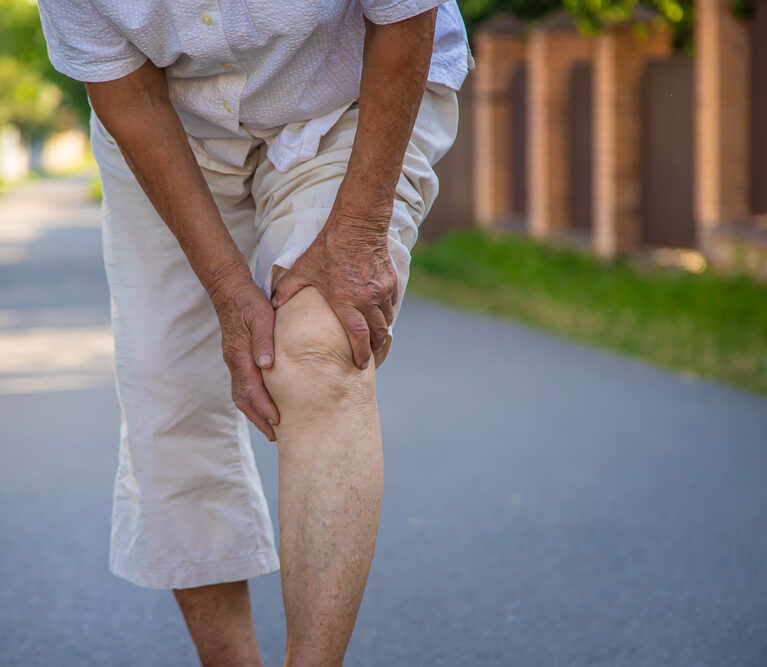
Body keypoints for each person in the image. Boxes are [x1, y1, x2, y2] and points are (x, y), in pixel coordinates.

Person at [35, 1, 472, 664]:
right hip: (170, 125)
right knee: (169, 393)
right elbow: (127, 96)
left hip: (350, 97)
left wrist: (357, 234)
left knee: (318, 347)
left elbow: (405, 15)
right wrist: (228, 291)